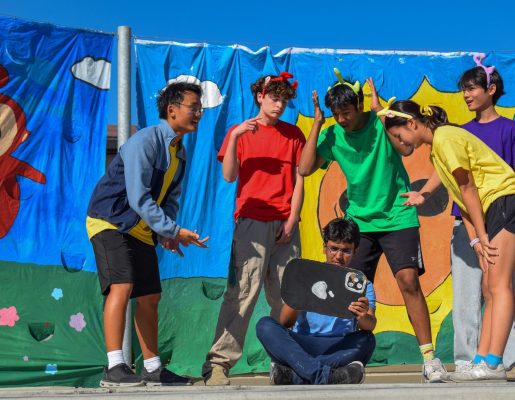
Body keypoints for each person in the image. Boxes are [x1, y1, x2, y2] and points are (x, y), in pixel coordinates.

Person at [298, 69, 446, 382]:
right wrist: (317, 125)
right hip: (360, 224)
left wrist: (382, 114)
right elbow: (305, 167)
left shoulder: (380, 124)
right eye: (336, 114)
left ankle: (430, 358)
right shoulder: (333, 134)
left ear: (360, 106)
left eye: (346, 113)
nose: (341, 119)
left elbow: (407, 148)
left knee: (408, 282)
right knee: (348, 292)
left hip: (397, 216)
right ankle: (338, 355)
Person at [402, 55, 515, 381]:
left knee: (503, 287)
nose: (466, 95)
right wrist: (425, 193)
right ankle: (472, 360)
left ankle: (512, 359)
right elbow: (448, 172)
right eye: (463, 90)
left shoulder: (510, 129)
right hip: (468, 218)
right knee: (471, 293)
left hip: (502, 210)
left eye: (472, 89)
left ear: (491, 89)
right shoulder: (456, 132)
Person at [86, 81, 209, 387]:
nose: (198, 113)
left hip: (139, 229)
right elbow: (138, 198)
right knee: (122, 284)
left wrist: (167, 233)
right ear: (171, 110)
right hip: (110, 220)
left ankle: (152, 368)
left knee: (150, 295)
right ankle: (114, 367)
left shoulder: (178, 151)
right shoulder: (145, 141)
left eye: (200, 108)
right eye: (193, 108)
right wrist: (174, 231)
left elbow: (170, 199)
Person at [203, 72, 305, 386]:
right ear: (260, 96)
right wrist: (234, 137)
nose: (279, 105)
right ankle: (218, 364)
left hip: (286, 224)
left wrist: (292, 219)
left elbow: (300, 179)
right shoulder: (241, 132)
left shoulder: (294, 134)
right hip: (251, 222)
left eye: (284, 100)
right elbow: (230, 176)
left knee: (288, 297)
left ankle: (287, 363)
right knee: (242, 293)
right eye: (274, 98)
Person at [255, 218, 376, 385]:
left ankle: (296, 374)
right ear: (324, 247)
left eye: (346, 251)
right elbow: (285, 321)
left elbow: (370, 325)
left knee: (367, 340)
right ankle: (327, 376)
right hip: (302, 344)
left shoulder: (362, 284)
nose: (339, 256)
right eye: (333, 249)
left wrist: (363, 316)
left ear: (355, 251)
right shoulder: (306, 274)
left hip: (338, 345)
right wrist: (299, 297)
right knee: (264, 325)